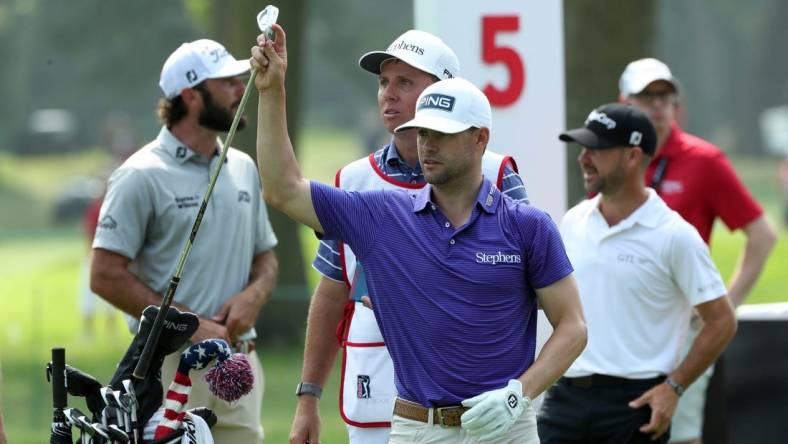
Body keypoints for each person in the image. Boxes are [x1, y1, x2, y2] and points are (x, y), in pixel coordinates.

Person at [253, 25, 587, 444]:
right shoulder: (379, 214)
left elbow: (572, 325)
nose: (427, 144)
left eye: (442, 134)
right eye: (423, 131)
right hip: (417, 428)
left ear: (479, 138)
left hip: (506, 427)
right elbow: (282, 189)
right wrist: (272, 91)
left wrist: (519, 395)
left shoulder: (528, 223)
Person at [90, 38, 279, 443]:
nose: (238, 91)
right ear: (191, 96)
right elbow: (104, 275)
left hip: (239, 363)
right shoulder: (140, 174)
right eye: (227, 83)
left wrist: (255, 295)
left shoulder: (243, 167)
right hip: (167, 365)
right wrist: (190, 324)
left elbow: (266, 257)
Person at [538, 103, 738, 443]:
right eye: (583, 148)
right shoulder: (573, 220)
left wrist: (674, 387)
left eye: (596, 149)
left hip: (634, 405)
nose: (583, 158)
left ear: (632, 157)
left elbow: (722, 320)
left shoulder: (674, 235)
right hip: (565, 398)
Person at [619, 58, 777, 444]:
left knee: (680, 433)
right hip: (625, 324)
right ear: (624, 101)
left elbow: (762, 235)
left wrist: (725, 305)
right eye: (647, 96)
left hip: (683, 327)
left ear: (676, 103)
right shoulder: (613, 158)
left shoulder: (704, 161)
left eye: (665, 95)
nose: (658, 104)